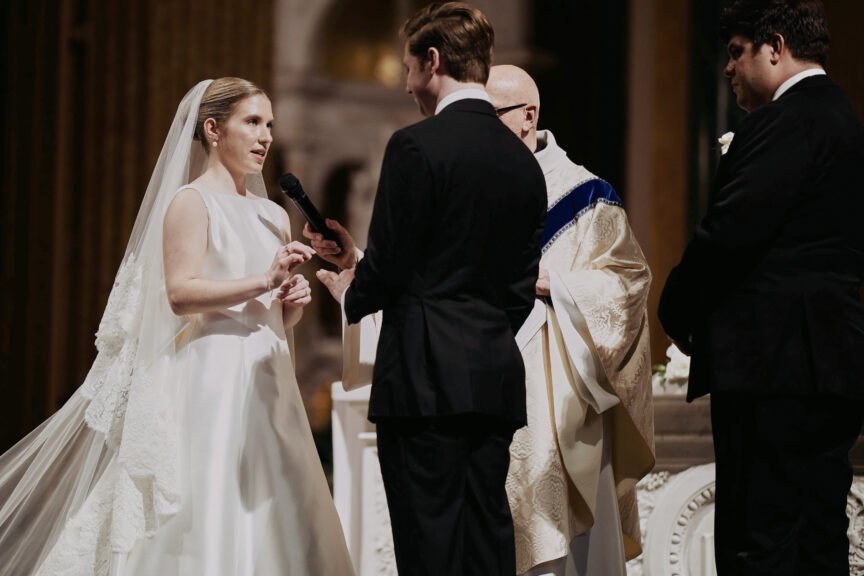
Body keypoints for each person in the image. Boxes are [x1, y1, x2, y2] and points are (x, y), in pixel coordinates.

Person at [0, 78, 355, 576]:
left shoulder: (273, 215)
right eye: (252, 122)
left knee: (279, 510)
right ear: (214, 129)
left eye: (269, 123)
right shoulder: (190, 202)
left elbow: (273, 310)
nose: (266, 135)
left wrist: (291, 300)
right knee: (209, 506)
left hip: (268, 381)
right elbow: (180, 295)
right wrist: (262, 278)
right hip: (213, 379)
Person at [313, 3, 547, 574]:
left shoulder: (415, 147)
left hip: (422, 385)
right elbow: (518, 291)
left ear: (433, 62)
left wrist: (351, 289)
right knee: (487, 546)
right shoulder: (525, 164)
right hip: (492, 380)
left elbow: (392, 265)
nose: (408, 85)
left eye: (408, 69)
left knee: (430, 550)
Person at [658, 1, 864, 573]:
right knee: (817, 535)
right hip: (827, 361)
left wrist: (674, 309)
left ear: (774, 47)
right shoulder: (843, 115)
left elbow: (728, 234)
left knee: (761, 540)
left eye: (735, 53)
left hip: (777, 366)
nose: (727, 70)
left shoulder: (787, 120)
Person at [486, 65, 655, 576]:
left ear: (527, 116)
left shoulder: (586, 196)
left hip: (559, 398)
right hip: (482, 382)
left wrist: (557, 285)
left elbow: (629, 284)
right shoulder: (470, 186)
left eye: (487, 116)